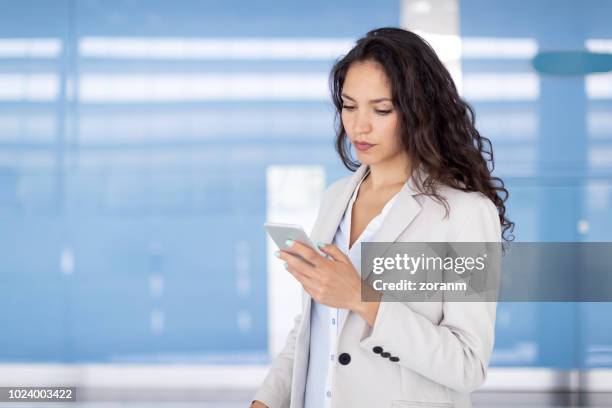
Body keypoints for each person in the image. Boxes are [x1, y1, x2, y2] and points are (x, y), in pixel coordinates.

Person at [251, 27, 513, 408]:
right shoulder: (337, 196)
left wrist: (363, 298)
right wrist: (265, 401)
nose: (359, 126)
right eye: (349, 105)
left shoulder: (466, 213)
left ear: (419, 111)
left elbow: (467, 364)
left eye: (381, 109)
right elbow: (312, 325)